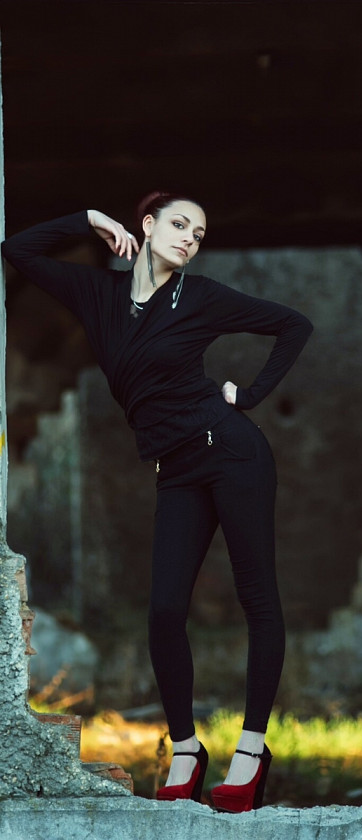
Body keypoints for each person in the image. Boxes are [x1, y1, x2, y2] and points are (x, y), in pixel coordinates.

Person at [2, 191, 313, 811]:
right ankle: (187, 749)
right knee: (165, 611)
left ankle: (251, 750)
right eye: (179, 224)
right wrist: (90, 220)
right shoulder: (98, 294)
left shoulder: (201, 297)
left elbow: (293, 325)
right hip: (175, 472)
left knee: (257, 599)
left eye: (199, 233)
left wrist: (250, 395)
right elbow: (16, 250)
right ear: (146, 226)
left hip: (232, 454)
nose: (190, 237)